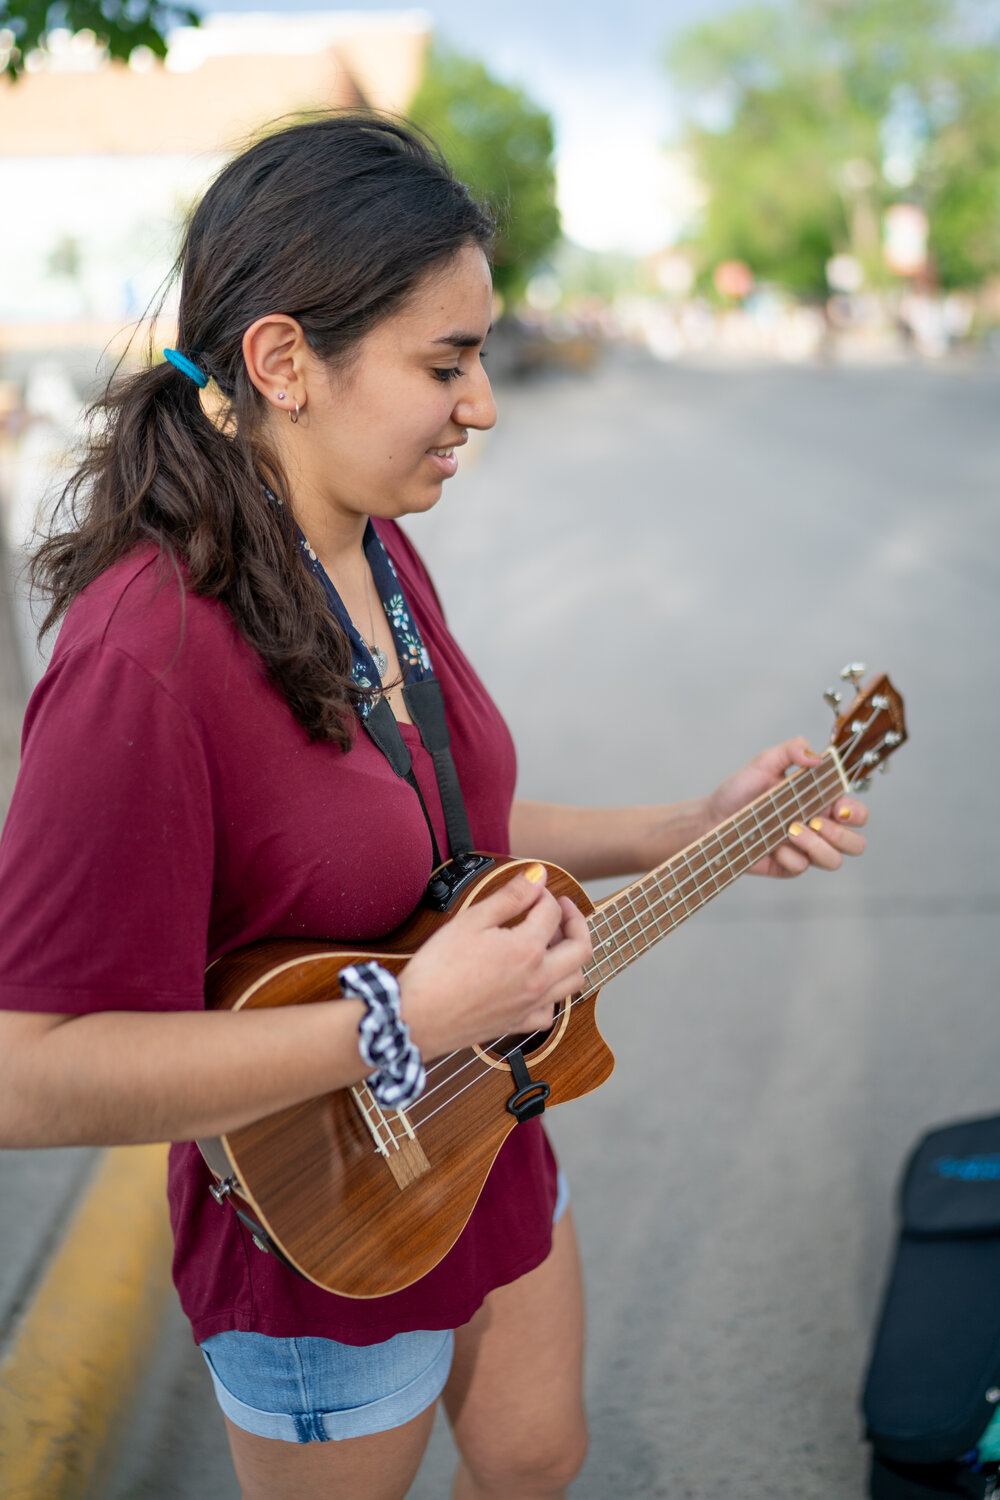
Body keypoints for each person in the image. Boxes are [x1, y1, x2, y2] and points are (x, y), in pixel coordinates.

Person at [0, 114, 867, 1500]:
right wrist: (401, 1022)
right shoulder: (140, 657)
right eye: (444, 362)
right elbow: (25, 1073)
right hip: (319, 1223)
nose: (485, 402)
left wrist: (686, 828)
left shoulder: (377, 545)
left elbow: (437, 832)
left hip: (484, 1123)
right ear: (286, 361)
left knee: (535, 1456)